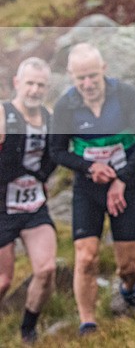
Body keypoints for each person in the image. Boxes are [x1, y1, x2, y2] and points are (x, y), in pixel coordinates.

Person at [50, 43, 135, 335]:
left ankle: (128, 289)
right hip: (88, 189)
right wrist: (89, 168)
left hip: (126, 185)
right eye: (80, 78)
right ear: (71, 76)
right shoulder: (65, 107)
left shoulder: (126, 95)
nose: (87, 84)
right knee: (85, 256)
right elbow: (56, 151)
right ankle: (88, 322)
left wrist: (121, 178)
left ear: (104, 70)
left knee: (129, 264)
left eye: (93, 77)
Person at [0, 58, 58, 343]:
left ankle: (27, 329)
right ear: (17, 83)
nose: (34, 90)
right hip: (2, 208)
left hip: (34, 204)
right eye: (30, 83)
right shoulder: (3, 113)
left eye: (41, 85)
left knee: (46, 269)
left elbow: (56, 156)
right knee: (3, 281)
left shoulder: (50, 120)